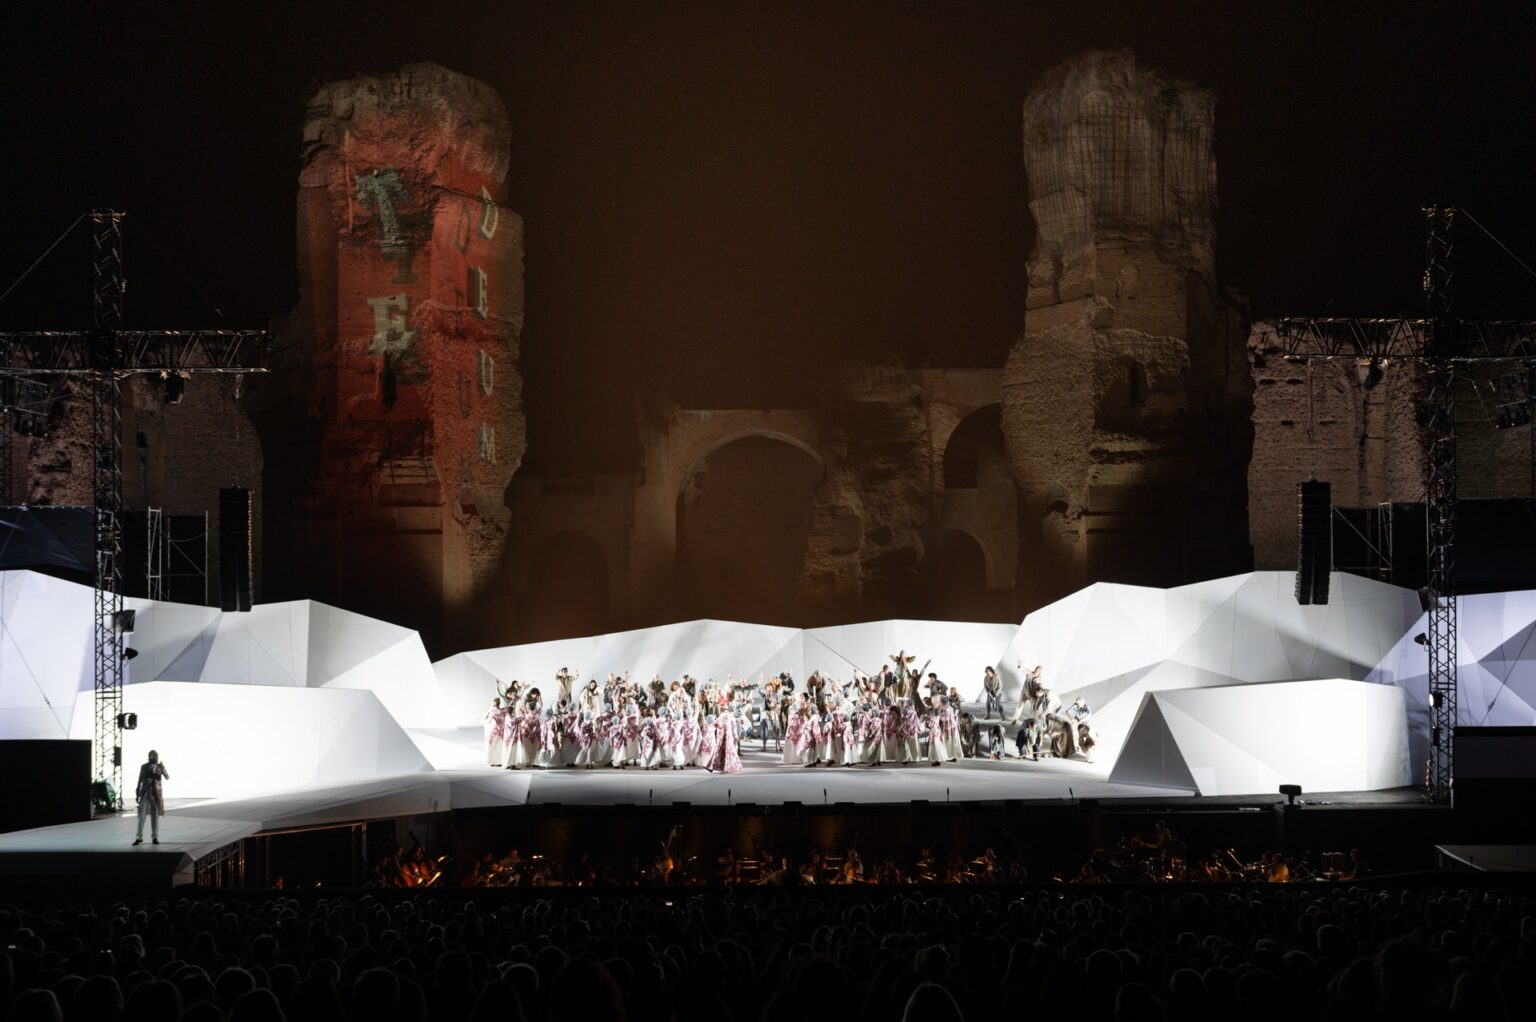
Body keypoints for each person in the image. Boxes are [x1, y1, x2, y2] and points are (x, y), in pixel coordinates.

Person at [133, 749, 170, 846]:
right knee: (141, 815)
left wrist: (163, 769)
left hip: (156, 793)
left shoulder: (159, 767)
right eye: (151, 755)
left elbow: (167, 777)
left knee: (155, 816)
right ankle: (139, 837)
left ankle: (155, 836)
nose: (153, 757)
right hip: (145, 792)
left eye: (155, 755)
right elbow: (140, 779)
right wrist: (137, 792)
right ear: (149, 756)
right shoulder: (144, 767)